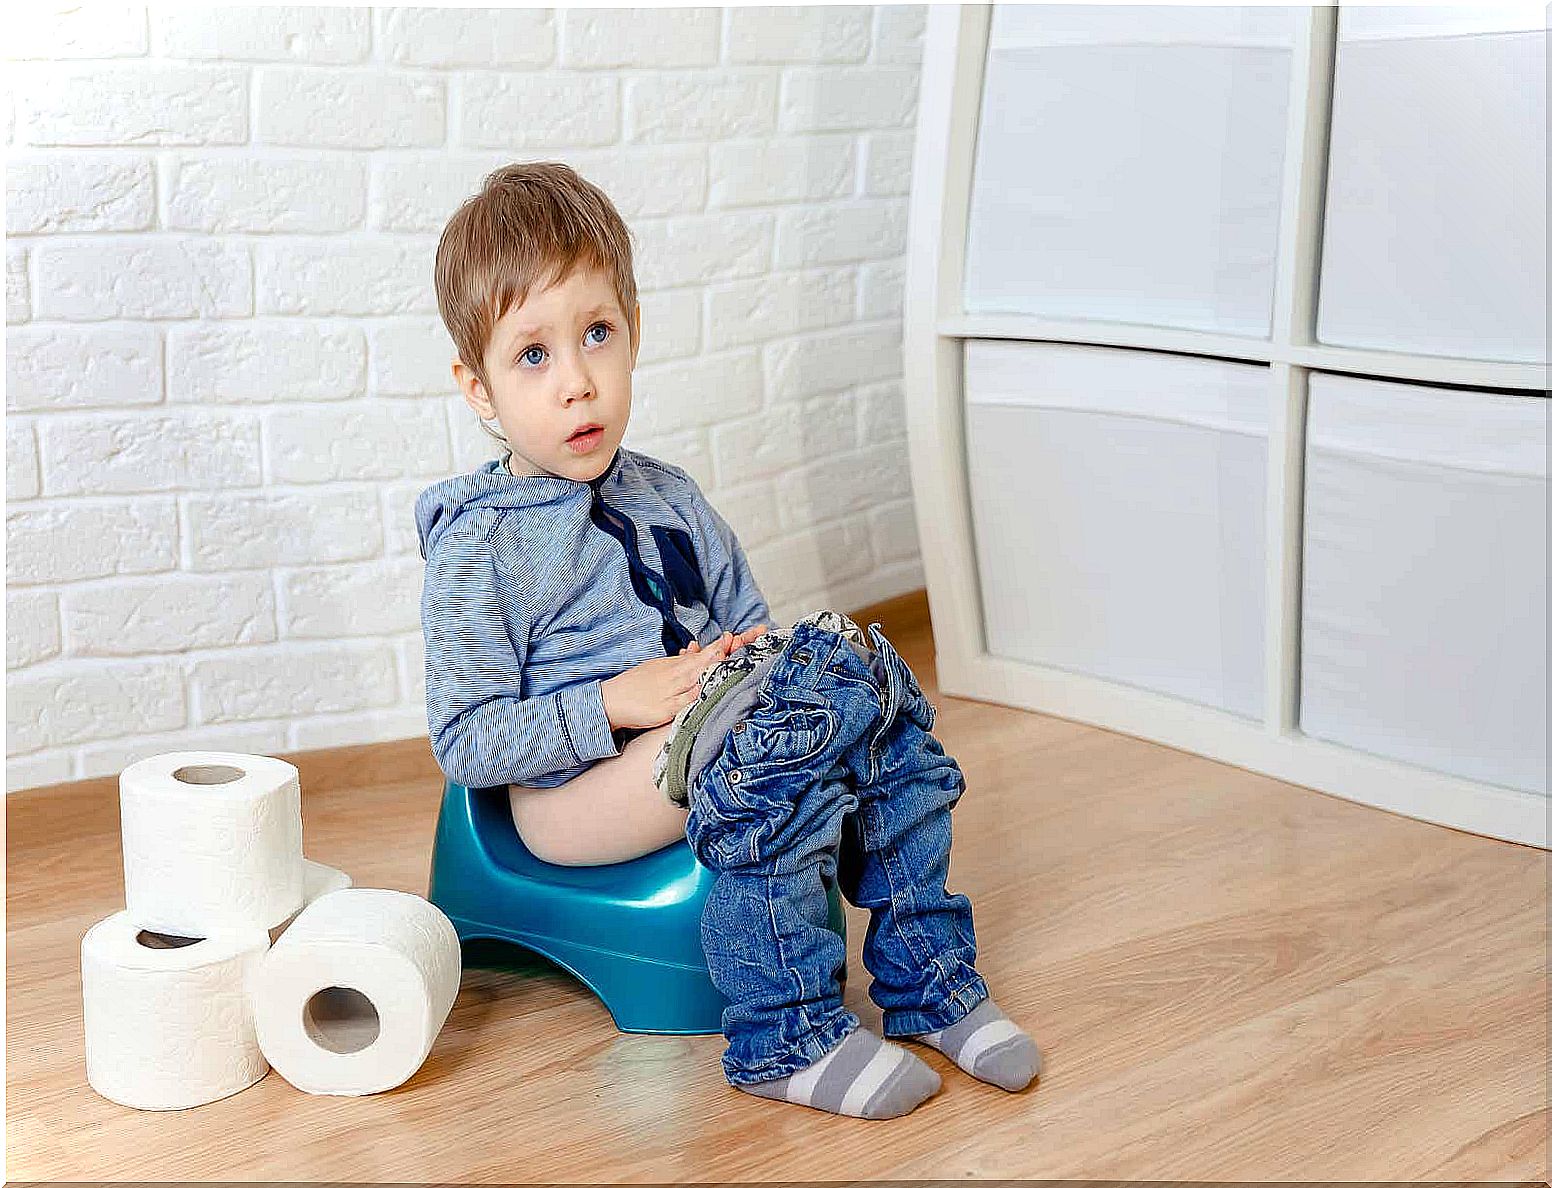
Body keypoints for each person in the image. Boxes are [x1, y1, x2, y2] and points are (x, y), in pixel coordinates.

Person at [416, 162, 1039, 1119]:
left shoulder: (670, 496)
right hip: (576, 793)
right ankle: (784, 1033)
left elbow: (755, 632)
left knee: (870, 700)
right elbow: (465, 740)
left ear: (633, 333)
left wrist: (790, 677)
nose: (578, 382)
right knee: (786, 731)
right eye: (532, 355)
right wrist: (619, 700)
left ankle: (927, 984)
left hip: (705, 732)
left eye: (596, 334)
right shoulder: (481, 547)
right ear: (479, 387)